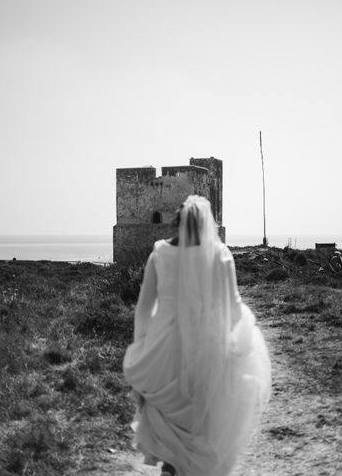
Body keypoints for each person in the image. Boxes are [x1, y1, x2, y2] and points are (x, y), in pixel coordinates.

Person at [123, 195, 271, 476]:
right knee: (202, 422)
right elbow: (234, 308)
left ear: (176, 224)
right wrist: (238, 335)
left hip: (163, 348)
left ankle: (171, 467)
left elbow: (143, 310)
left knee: (169, 419)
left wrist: (142, 346)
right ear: (208, 224)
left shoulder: (159, 254)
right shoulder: (221, 255)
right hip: (208, 347)